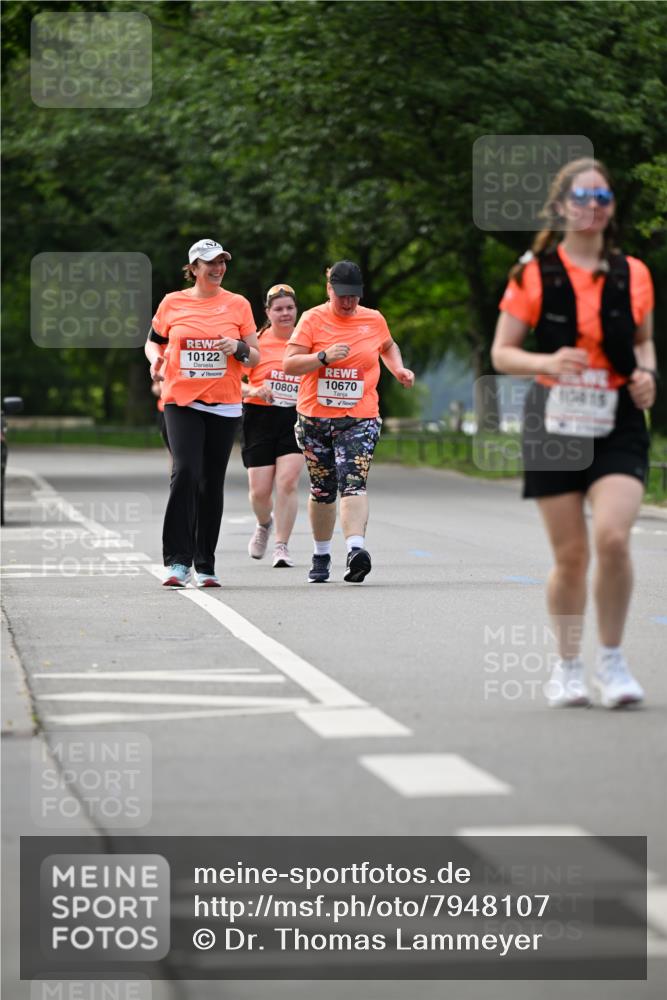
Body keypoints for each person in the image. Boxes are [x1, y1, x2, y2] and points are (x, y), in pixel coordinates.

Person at [491, 158, 657, 708]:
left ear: (612, 208)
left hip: (617, 417)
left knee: (613, 538)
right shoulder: (533, 274)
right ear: (561, 206)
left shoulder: (634, 273)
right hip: (555, 419)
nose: (593, 207)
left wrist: (648, 376)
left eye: (602, 198)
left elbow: (642, 343)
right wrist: (547, 361)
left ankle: (611, 661)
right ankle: (566, 667)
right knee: (572, 556)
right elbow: (502, 352)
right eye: (583, 197)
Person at [283, 260, 415, 583]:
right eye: (342, 295)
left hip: (359, 417)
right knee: (322, 489)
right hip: (315, 418)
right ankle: (321, 553)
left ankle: (356, 550)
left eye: (354, 295)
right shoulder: (312, 319)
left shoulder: (373, 319)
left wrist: (398, 369)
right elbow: (289, 364)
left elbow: (388, 346)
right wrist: (322, 357)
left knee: (353, 481)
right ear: (329, 289)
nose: (348, 302)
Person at [145, 238, 260, 587]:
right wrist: (156, 361)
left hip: (225, 405)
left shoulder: (238, 304)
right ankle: (177, 562)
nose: (218, 268)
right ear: (193, 268)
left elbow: (255, 356)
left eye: (222, 261)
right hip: (181, 401)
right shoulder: (173, 302)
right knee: (185, 472)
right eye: (210, 262)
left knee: (211, 483)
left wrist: (237, 347)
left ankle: (205, 563)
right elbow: (153, 341)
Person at [242, 283, 304, 567]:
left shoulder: (307, 341)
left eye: (290, 307)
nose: (285, 313)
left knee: (288, 481)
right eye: (278, 309)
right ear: (268, 312)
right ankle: (264, 523)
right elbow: (231, 383)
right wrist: (254, 391)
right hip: (259, 417)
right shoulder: (256, 342)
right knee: (259, 492)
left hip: (295, 417)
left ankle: (282, 546)